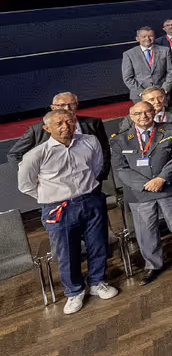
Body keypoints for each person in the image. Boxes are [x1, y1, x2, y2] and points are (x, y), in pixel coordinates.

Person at [18, 111, 120, 314]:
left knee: (97, 244)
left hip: (91, 199)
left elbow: (96, 166)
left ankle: (97, 282)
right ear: (47, 128)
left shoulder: (90, 141)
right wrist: (52, 195)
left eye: (70, 121)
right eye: (59, 123)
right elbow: (25, 185)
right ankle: (74, 291)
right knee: (67, 252)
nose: (66, 126)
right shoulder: (36, 154)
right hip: (59, 207)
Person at [110, 100, 172, 284]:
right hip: (139, 193)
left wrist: (161, 179)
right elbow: (120, 169)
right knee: (145, 231)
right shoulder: (119, 139)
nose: (143, 116)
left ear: (154, 113)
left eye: (148, 112)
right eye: (138, 113)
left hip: (168, 186)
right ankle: (152, 265)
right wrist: (145, 184)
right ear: (131, 117)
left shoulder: (171, 130)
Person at [7, 92, 111, 173]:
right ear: (53, 107)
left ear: (77, 105)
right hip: (55, 187)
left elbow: (104, 150)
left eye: (71, 104)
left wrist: (101, 174)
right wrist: (33, 175)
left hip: (90, 181)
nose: (67, 108)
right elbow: (14, 155)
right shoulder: (38, 129)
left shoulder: (93, 123)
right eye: (62, 105)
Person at [123, 26, 172, 104]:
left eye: (150, 36)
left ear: (154, 37)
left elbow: (170, 72)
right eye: (143, 36)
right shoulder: (129, 54)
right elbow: (128, 78)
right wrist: (143, 94)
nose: (147, 38)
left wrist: (164, 90)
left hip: (162, 94)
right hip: (140, 95)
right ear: (137, 38)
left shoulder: (165, 50)